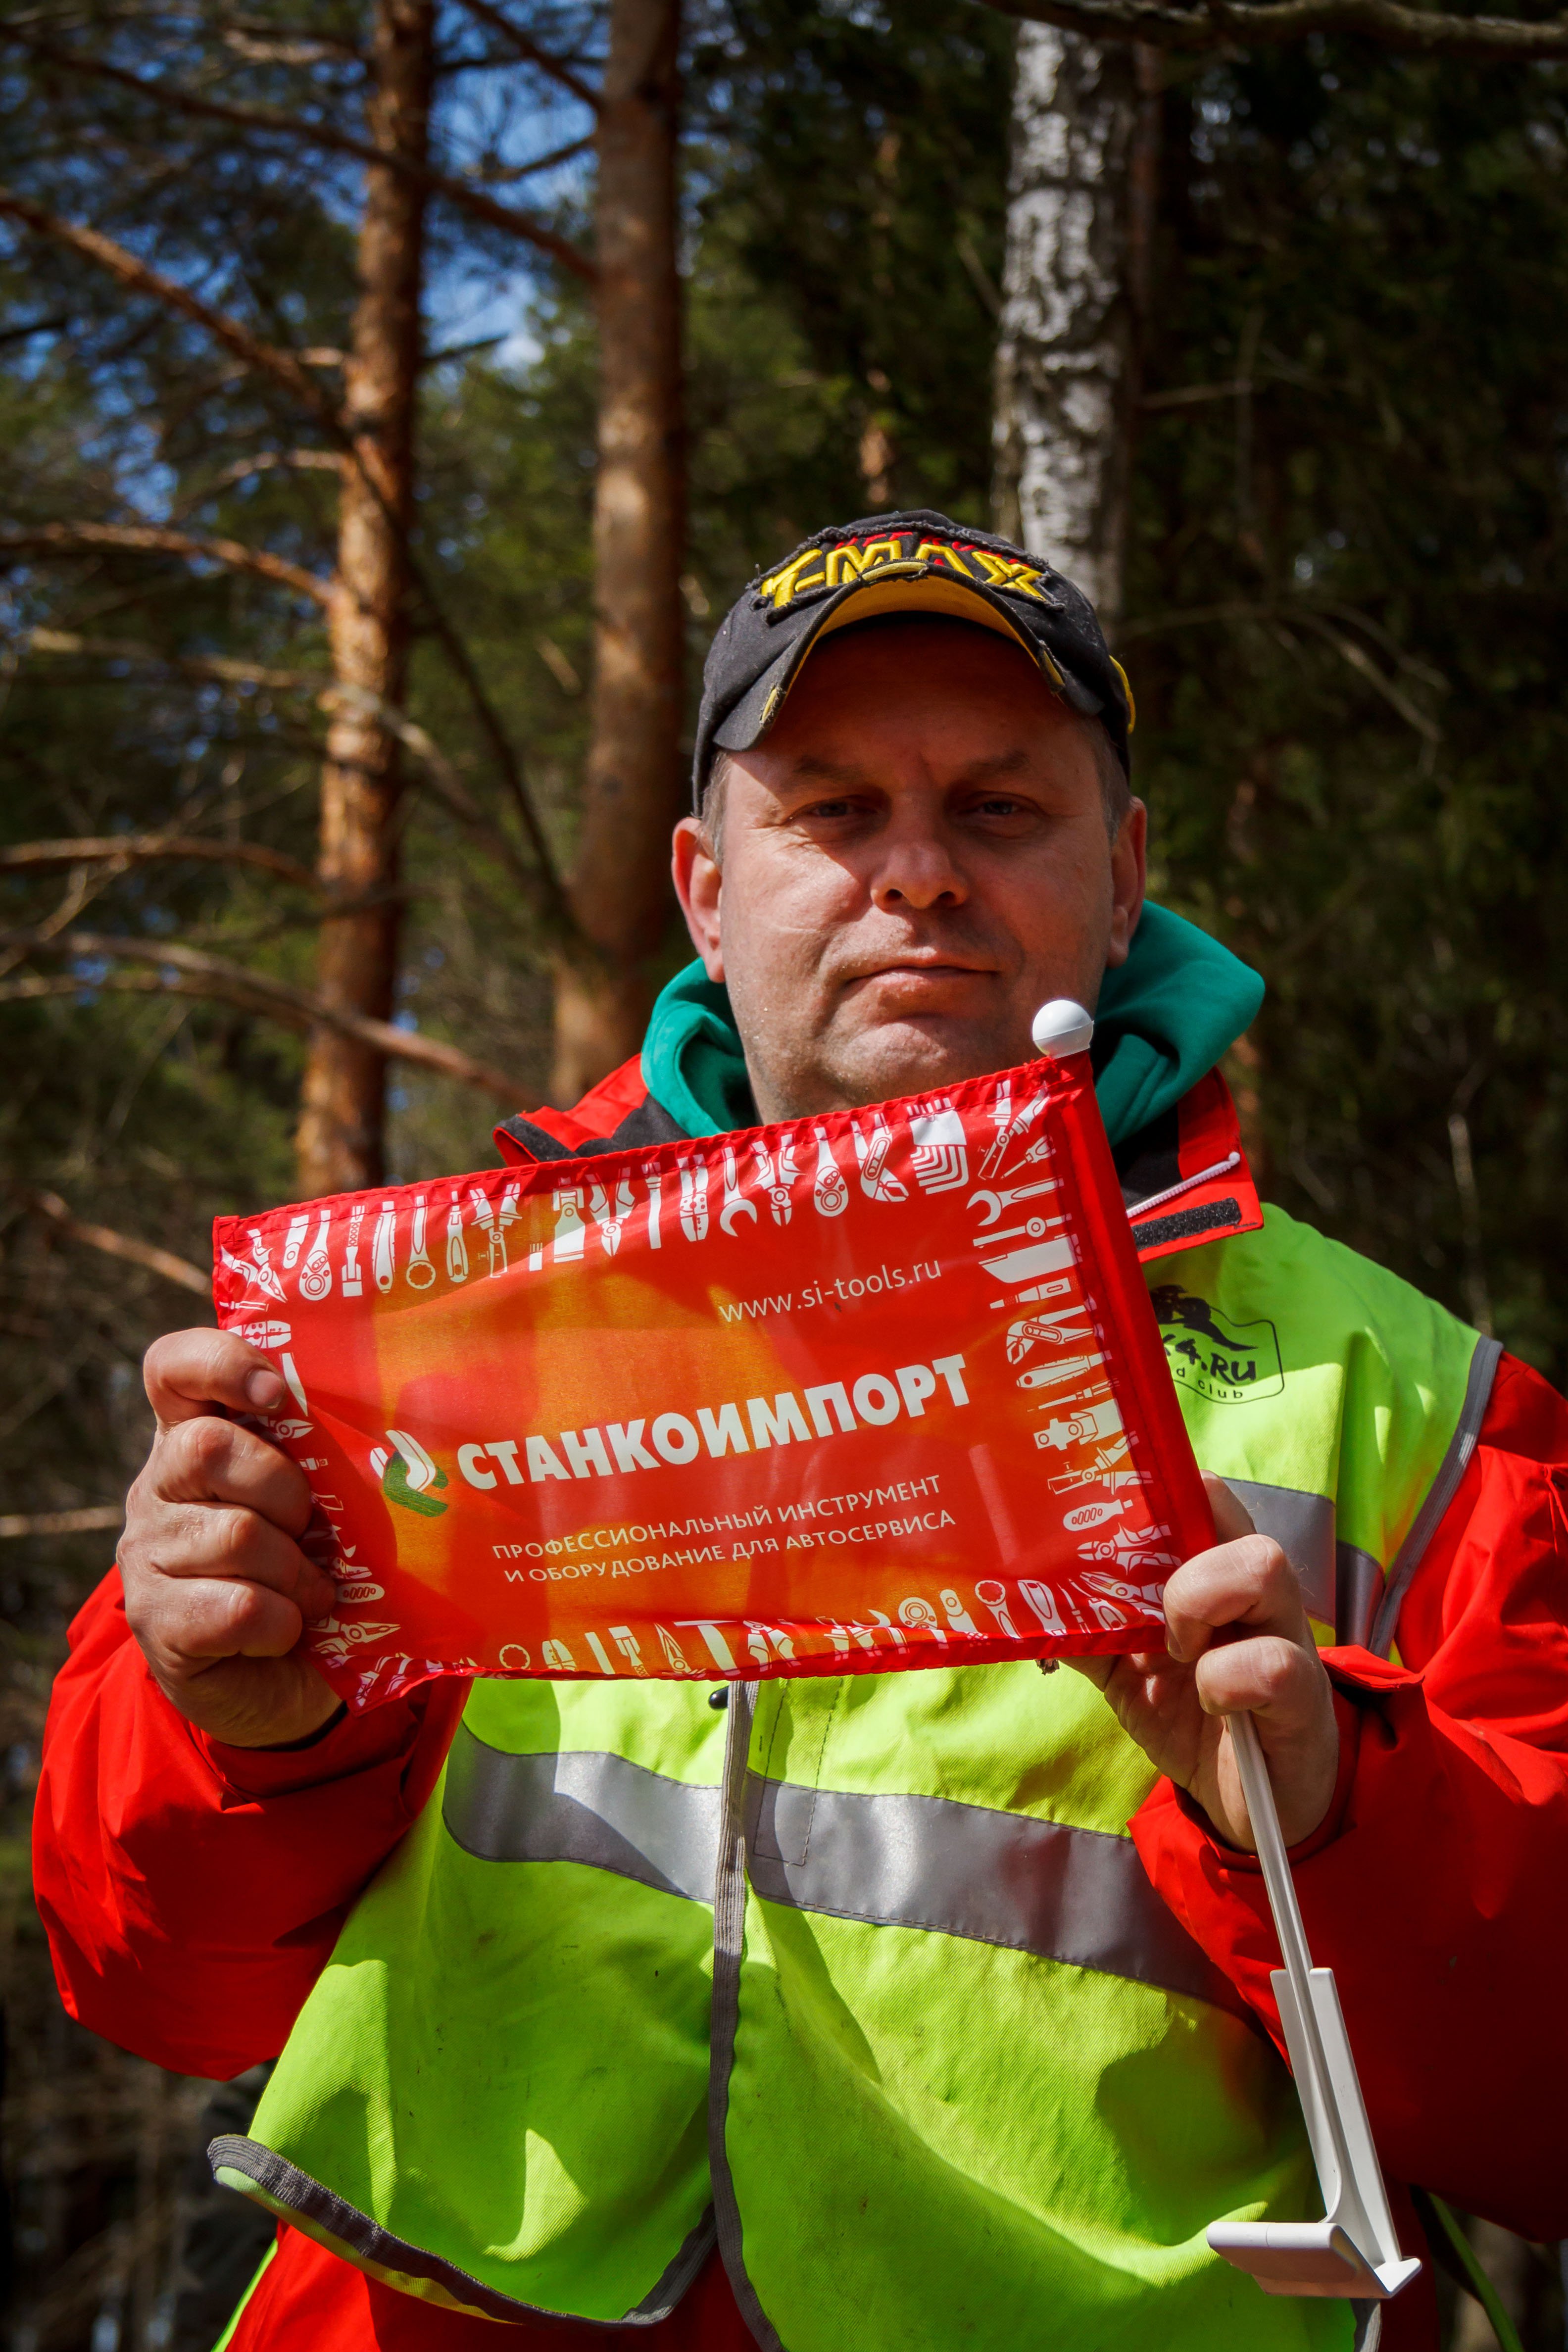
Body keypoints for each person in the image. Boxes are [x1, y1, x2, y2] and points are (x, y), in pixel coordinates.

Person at [34, 510, 1568, 2352]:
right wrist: (247, 1732)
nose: (915, 874)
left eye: (999, 808)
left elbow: (1546, 2115)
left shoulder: (1423, 1403)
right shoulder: (415, 1338)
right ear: (704, 889)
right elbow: (155, 1985)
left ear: (1123, 876)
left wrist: (1327, 1826)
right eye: (834, 811)